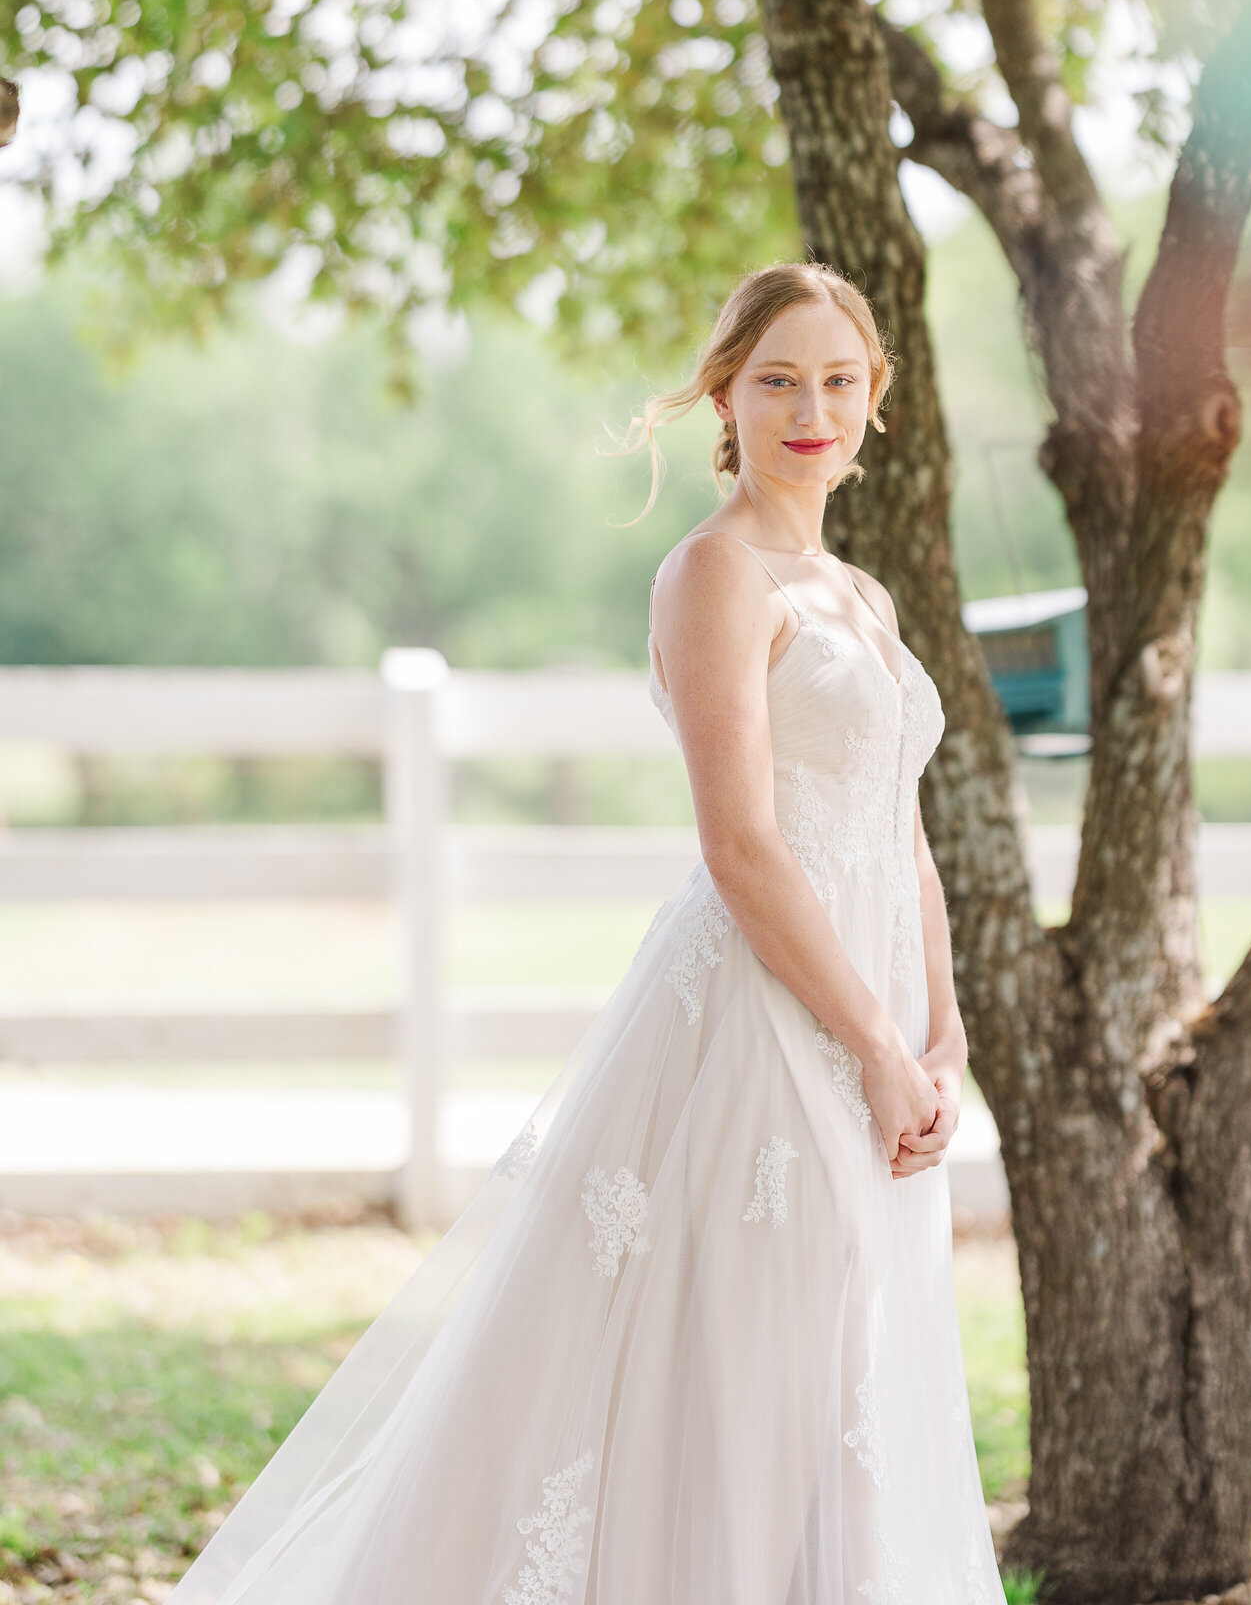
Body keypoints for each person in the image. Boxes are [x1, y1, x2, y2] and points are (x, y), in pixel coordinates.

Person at [172, 260, 1002, 1605]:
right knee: (748, 1369)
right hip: (765, 1031)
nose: (811, 408)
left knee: (847, 1366)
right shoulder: (715, 575)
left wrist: (938, 1037)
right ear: (726, 393)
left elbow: (903, 838)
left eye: (839, 381)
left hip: (883, 1042)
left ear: (873, 401)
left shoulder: (866, 594)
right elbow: (741, 845)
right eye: (779, 378)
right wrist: (868, 1042)